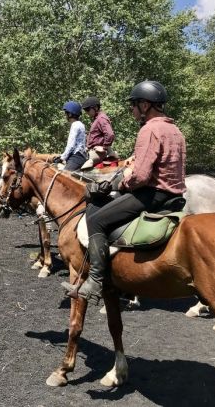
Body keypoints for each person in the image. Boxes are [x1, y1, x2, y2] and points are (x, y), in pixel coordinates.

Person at [61, 81, 186, 304]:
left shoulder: (150, 130)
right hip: (174, 195)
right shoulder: (174, 129)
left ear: (145, 105)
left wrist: (118, 184)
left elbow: (141, 177)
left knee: (97, 219)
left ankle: (96, 282)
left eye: (134, 105)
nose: (132, 109)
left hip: (151, 194)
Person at [80, 96, 115, 170]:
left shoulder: (101, 118)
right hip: (93, 151)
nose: (86, 112)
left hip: (98, 153)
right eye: (85, 110)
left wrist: (104, 147)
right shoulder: (96, 119)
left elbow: (110, 134)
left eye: (87, 109)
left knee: (79, 167)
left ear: (95, 108)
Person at [53, 101, 87, 171]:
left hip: (77, 156)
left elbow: (71, 145)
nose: (65, 115)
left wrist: (62, 157)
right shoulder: (80, 124)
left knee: (65, 176)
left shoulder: (75, 125)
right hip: (80, 155)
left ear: (70, 114)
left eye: (66, 113)